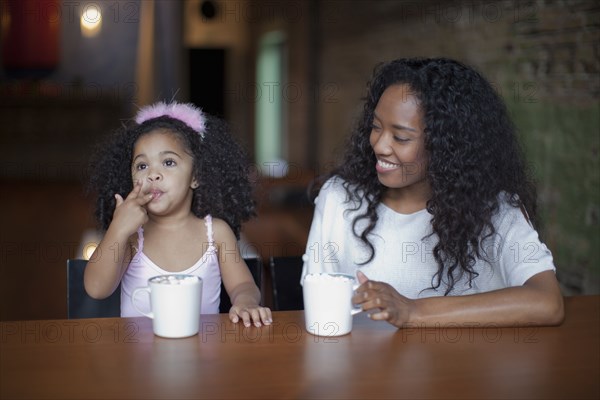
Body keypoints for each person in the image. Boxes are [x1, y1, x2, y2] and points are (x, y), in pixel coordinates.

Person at [302, 57, 564, 328]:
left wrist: (413, 311)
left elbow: (547, 302)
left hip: (464, 369)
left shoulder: (495, 209)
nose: (379, 145)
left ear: (448, 146)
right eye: (375, 127)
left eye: (401, 137)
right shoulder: (340, 199)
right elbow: (319, 306)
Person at [85, 101, 272, 327]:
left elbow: (243, 285)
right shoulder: (133, 236)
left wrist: (246, 301)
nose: (153, 173)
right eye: (142, 166)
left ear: (196, 177)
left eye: (168, 162)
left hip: (202, 357)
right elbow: (96, 289)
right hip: (137, 360)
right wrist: (117, 229)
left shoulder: (216, 233)